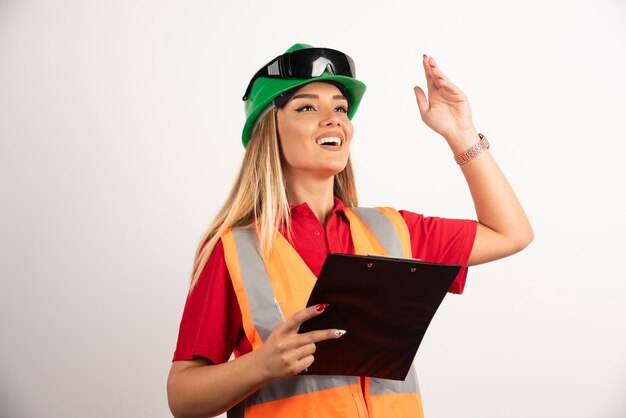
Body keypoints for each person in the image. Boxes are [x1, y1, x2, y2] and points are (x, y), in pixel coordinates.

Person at [167, 43, 533, 418]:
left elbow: (511, 233)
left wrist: (461, 133)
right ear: (269, 130)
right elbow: (182, 397)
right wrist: (260, 365)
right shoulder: (234, 249)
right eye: (308, 106)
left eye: (340, 108)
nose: (334, 119)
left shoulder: (394, 231)